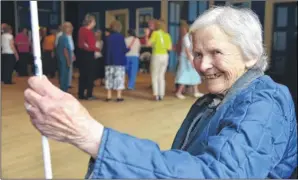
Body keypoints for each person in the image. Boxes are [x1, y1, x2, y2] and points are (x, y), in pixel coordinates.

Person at [24, 6, 297, 179]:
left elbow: (220, 174)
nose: (202, 65)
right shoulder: (217, 98)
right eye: (198, 54)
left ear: (251, 55)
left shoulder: (265, 101)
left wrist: (90, 135)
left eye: (216, 53)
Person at [175, 21, 203, 99]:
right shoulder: (186, 37)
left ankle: (196, 91)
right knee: (184, 75)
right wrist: (191, 60)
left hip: (191, 58)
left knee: (194, 74)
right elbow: (187, 50)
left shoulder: (191, 37)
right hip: (186, 59)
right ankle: (179, 92)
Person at [145, 19, 172, 101]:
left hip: (156, 55)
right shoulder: (167, 35)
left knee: (154, 75)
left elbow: (147, 44)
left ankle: (156, 95)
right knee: (161, 76)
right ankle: (162, 94)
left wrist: (146, 35)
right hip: (165, 56)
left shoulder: (155, 33)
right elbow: (170, 48)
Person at [104, 20, 130, 102]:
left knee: (109, 78)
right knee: (119, 78)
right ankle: (119, 96)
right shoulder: (121, 37)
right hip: (119, 61)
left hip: (109, 61)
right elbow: (124, 49)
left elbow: (105, 50)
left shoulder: (107, 38)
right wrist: (128, 49)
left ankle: (109, 96)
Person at [77, 14, 100, 100]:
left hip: (81, 54)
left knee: (82, 74)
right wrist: (98, 49)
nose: (95, 23)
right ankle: (89, 94)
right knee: (90, 75)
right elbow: (91, 46)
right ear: (90, 22)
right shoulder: (89, 32)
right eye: (94, 21)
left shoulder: (81, 30)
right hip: (89, 55)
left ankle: (81, 93)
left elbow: (82, 44)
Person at [56, 22, 73, 92]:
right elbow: (65, 50)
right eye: (70, 27)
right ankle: (64, 91)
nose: (71, 29)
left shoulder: (61, 37)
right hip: (64, 60)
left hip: (61, 59)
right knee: (64, 76)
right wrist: (68, 61)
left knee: (62, 75)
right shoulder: (64, 38)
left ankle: (63, 90)